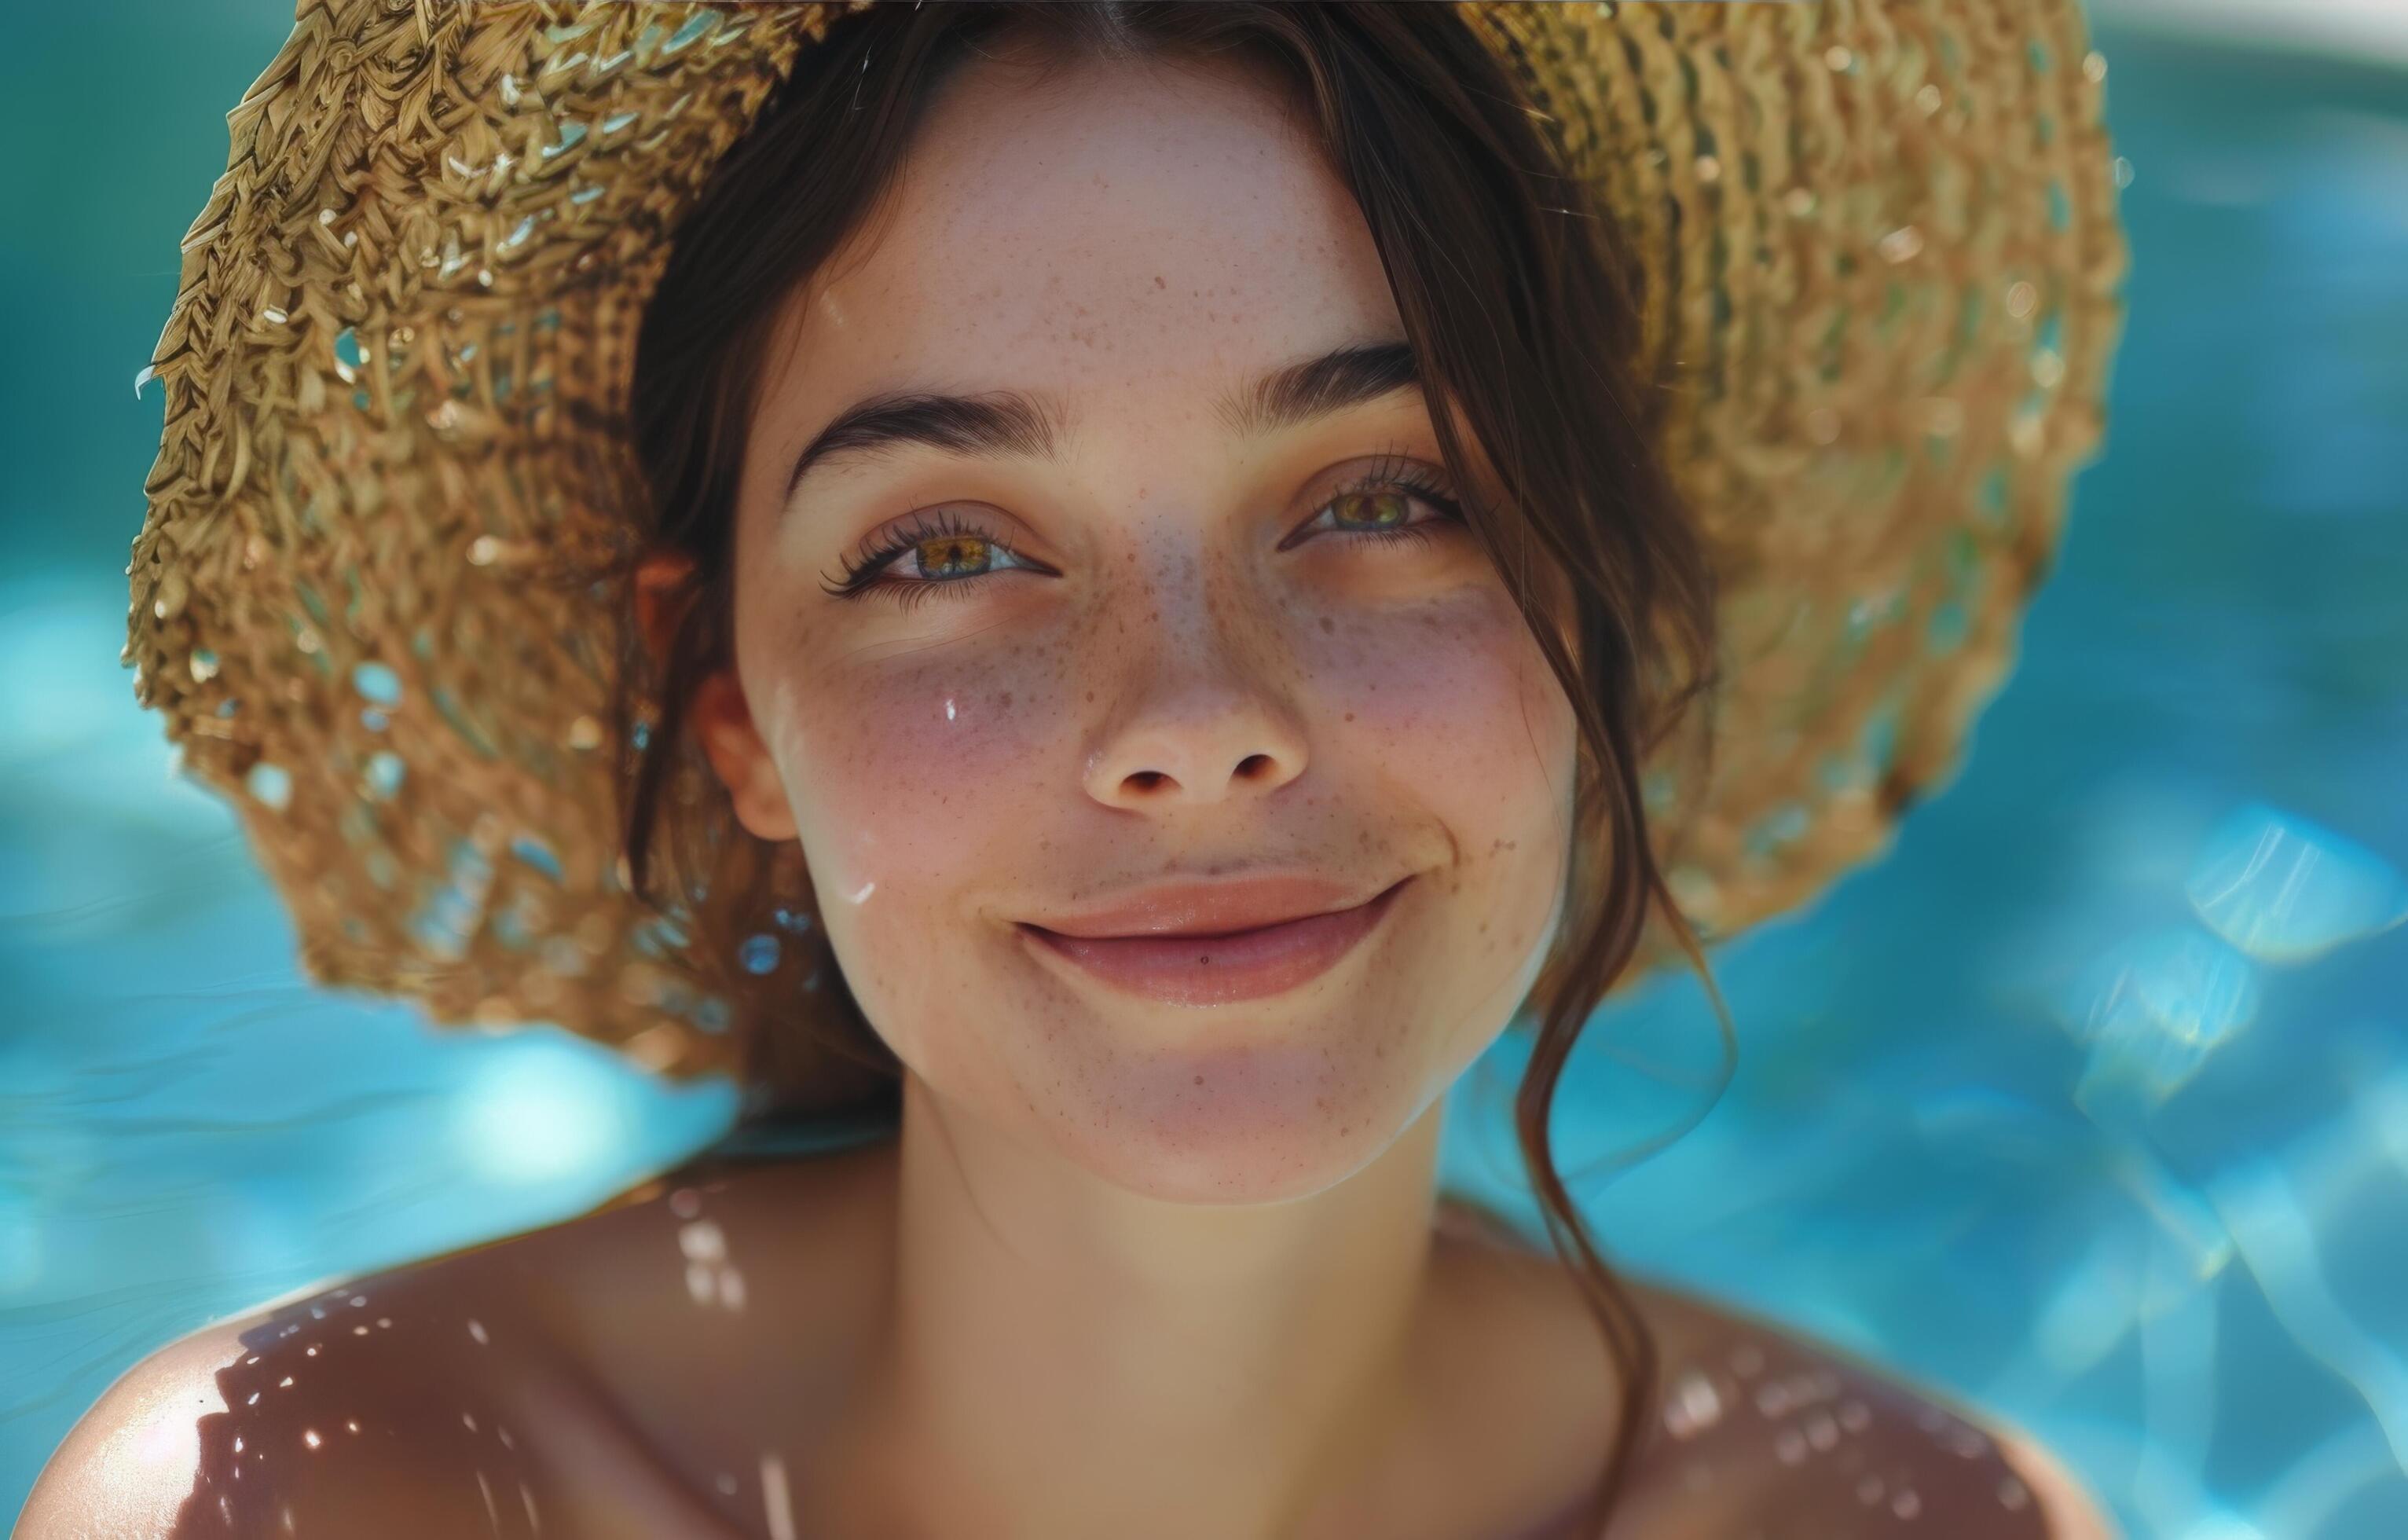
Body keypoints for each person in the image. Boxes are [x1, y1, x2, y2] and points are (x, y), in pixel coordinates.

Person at [24, 2, 2129, 1536]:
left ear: (1588, 613)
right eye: (945, 548)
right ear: (732, 706)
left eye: (1381, 496)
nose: (1189, 716)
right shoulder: (322, 1511)